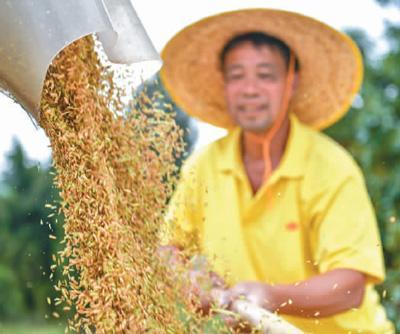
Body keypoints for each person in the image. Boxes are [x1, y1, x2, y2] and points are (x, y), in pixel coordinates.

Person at [159, 9, 394, 333]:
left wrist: (271, 296)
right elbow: (168, 249)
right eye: (237, 75)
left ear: (291, 81)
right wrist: (189, 279)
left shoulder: (330, 168)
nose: (250, 89)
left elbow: (350, 286)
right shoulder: (204, 166)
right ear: (224, 84)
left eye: (265, 75)